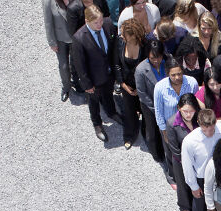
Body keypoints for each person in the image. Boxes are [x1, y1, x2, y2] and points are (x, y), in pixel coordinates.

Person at [72, 6, 121, 142]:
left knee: (108, 94)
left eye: (100, 21)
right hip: (93, 79)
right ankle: (97, 124)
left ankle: (111, 112)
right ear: (87, 21)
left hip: (108, 74)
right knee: (93, 102)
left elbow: (113, 49)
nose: (100, 25)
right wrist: (87, 84)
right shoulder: (79, 38)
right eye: (96, 23)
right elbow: (79, 64)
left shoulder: (108, 24)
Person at [152, 57, 199, 173]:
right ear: (167, 74)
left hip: (189, 125)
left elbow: (196, 104)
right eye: (173, 75)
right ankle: (173, 175)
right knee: (172, 153)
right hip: (170, 127)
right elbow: (158, 111)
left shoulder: (192, 82)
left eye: (179, 74)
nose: (177, 78)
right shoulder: (159, 87)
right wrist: (164, 132)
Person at [115, 19, 150, 149]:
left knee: (145, 110)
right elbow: (117, 64)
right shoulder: (120, 43)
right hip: (126, 85)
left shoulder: (145, 47)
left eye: (125, 34)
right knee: (129, 111)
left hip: (143, 86)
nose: (121, 36)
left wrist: (140, 88)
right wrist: (122, 83)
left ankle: (147, 133)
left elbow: (149, 69)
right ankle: (130, 134)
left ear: (134, 35)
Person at [165, 93, 201, 211]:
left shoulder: (199, 118)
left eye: (191, 111)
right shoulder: (171, 123)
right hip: (180, 160)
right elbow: (174, 148)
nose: (188, 114)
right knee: (182, 183)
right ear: (179, 108)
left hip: (198, 157)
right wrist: (187, 163)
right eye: (185, 111)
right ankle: (185, 205)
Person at [42, 0, 78, 101]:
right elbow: (48, 22)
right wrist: (52, 42)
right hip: (60, 39)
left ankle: (77, 82)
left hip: (75, 37)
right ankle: (66, 87)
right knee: (64, 66)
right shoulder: (48, 2)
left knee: (76, 62)